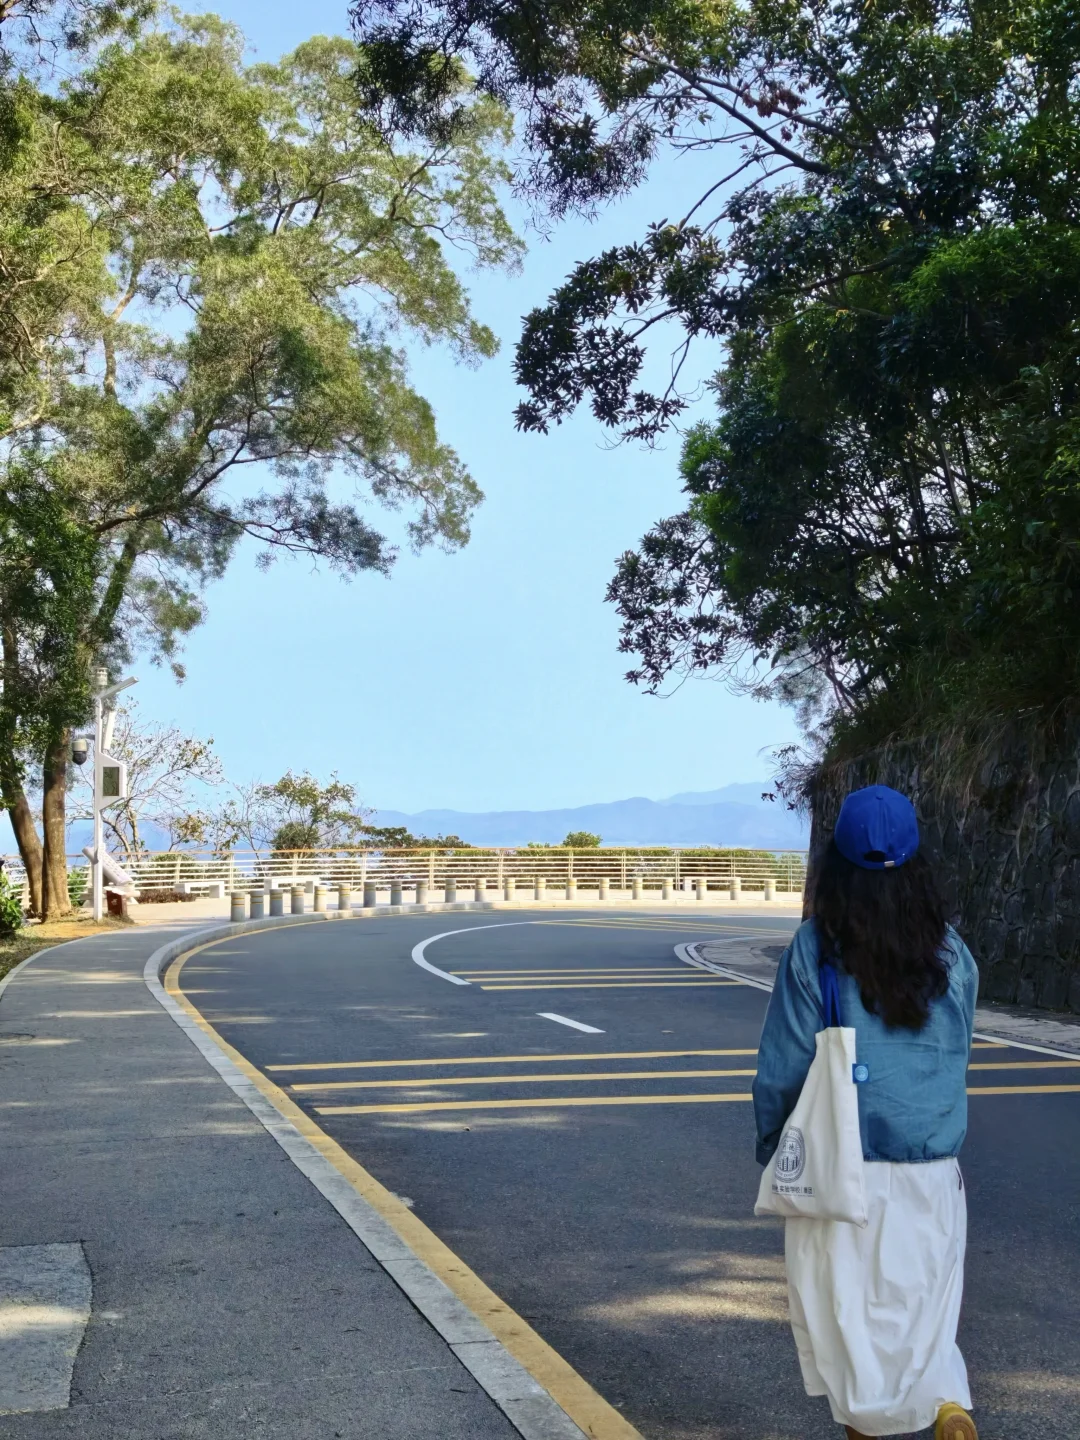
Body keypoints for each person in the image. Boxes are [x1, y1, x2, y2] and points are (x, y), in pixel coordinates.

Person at [753, 785, 979, 1440]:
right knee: (923, 1314)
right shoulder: (951, 954)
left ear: (837, 866)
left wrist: (776, 1148)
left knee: (848, 1326)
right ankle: (947, 1407)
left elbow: (783, 1068)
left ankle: (870, 1427)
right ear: (917, 864)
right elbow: (957, 1052)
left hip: (842, 1168)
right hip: (933, 1170)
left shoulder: (815, 951)